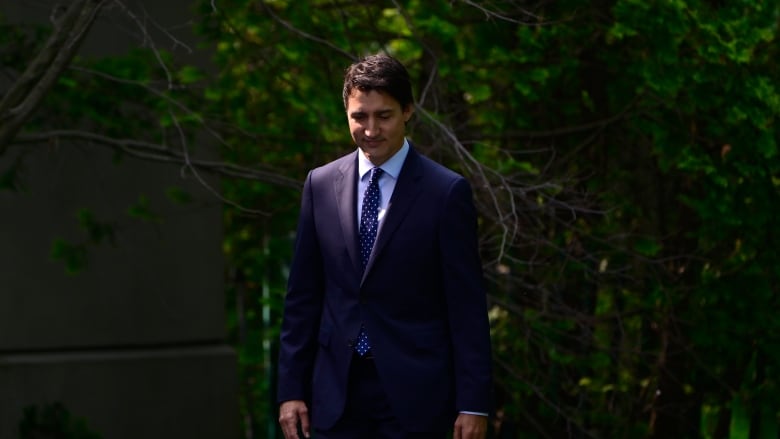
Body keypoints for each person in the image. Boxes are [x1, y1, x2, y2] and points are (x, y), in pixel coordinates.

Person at [277, 53, 493, 439]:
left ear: (407, 111)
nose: (370, 129)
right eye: (360, 116)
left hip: (416, 396)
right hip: (334, 395)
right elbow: (302, 298)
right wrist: (291, 390)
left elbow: (466, 306)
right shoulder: (320, 185)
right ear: (346, 112)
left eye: (384, 115)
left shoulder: (445, 193)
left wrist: (473, 402)